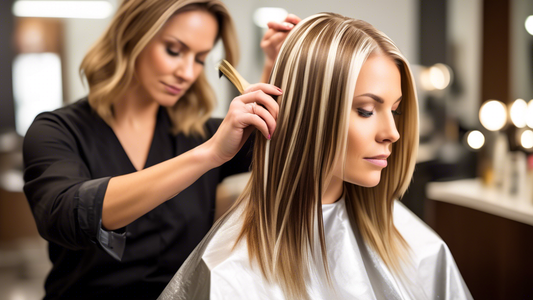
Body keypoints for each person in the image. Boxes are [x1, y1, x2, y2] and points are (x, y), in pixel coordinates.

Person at [158, 13, 473, 300]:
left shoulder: (424, 253)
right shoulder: (229, 273)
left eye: (395, 110)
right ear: (307, 113)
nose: (392, 132)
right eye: (365, 110)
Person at [22, 0, 301, 298]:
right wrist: (208, 155)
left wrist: (277, 68)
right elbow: (66, 214)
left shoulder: (201, 133)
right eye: (173, 50)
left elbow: (285, 148)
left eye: (200, 58)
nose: (187, 73)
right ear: (132, 37)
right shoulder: (56, 130)